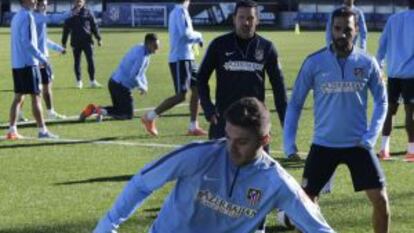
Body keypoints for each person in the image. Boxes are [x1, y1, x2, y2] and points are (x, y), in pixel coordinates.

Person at [93, 97, 335, 233]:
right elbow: (143, 183)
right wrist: (107, 226)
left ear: (264, 141)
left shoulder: (277, 182)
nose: (230, 148)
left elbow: (320, 229)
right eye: (228, 137)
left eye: (241, 142)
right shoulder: (199, 156)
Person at [284, 7, 389, 233]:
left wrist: (371, 136)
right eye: (337, 28)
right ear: (331, 30)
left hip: (358, 145)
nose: (342, 34)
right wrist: (288, 141)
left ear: (357, 30)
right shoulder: (314, 62)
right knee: (306, 206)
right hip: (323, 144)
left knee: (381, 202)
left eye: (347, 29)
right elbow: (295, 103)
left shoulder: (367, 62)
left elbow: (382, 102)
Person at [198, 0, 287, 140]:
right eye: (241, 17)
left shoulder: (267, 47)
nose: (246, 23)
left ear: (257, 20)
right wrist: (208, 108)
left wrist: (284, 117)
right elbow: (201, 78)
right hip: (224, 121)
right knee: (220, 161)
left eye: (250, 18)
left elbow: (278, 85)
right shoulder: (219, 45)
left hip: (255, 122)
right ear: (234, 19)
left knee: (258, 162)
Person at [141, 0, 207, 137]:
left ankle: (193, 126)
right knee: (181, 96)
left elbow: (187, 35)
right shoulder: (180, 12)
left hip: (188, 57)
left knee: (198, 88)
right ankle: (150, 117)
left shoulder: (181, 11)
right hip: (180, 59)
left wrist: (196, 40)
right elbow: (186, 35)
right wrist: (199, 36)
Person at [78, 33, 160, 122]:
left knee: (119, 109)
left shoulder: (141, 48)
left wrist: (145, 85)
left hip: (114, 82)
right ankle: (97, 110)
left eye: (158, 45)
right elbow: (134, 75)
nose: (157, 48)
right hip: (121, 87)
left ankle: (98, 110)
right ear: (148, 43)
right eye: (155, 45)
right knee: (127, 114)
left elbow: (141, 72)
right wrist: (142, 87)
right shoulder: (142, 56)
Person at [7, 0, 58, 140]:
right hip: (28, 64)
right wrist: (42, 58)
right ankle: (42, 131)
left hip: (17, 64)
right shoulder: (27, 16)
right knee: (36, 97)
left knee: (18, 97)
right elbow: (27, 42)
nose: (35, 1)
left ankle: (12, 129)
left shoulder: (16, 17)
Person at [376, 0, 414, 162]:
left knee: (390, 110)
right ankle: (411, 150)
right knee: (410, 112)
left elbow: (382, 44)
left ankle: (384, 149)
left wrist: (379, 65)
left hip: (393, 72)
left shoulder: (393, 19)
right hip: (411, 74)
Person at [32, 0, 77, 119]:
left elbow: (43, 40)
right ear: (38, 5)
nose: (46, 6)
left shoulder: (34, 18)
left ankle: (20, 114)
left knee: (28, 90)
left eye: (47, 4)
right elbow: (54, 18)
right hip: (41, 59)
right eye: (44, 4)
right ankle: (50, 113)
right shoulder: (39, 17)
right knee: (46, 87)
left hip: (35, 58)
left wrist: (58, 48)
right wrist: (71, 12)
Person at [62, 0, 102, 89]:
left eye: (80, 1)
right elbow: (66, 30)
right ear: (74, 2)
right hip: (75, 42)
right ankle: (79, 81)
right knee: (77, 62)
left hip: (87, 41)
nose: (78, 3)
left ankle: (92, 81)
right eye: (77, 1)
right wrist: (64, 43)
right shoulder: (70, 14)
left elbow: (94, 26)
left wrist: (98, 38)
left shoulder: (88, 12)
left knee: (91, 61)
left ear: (84, 2)